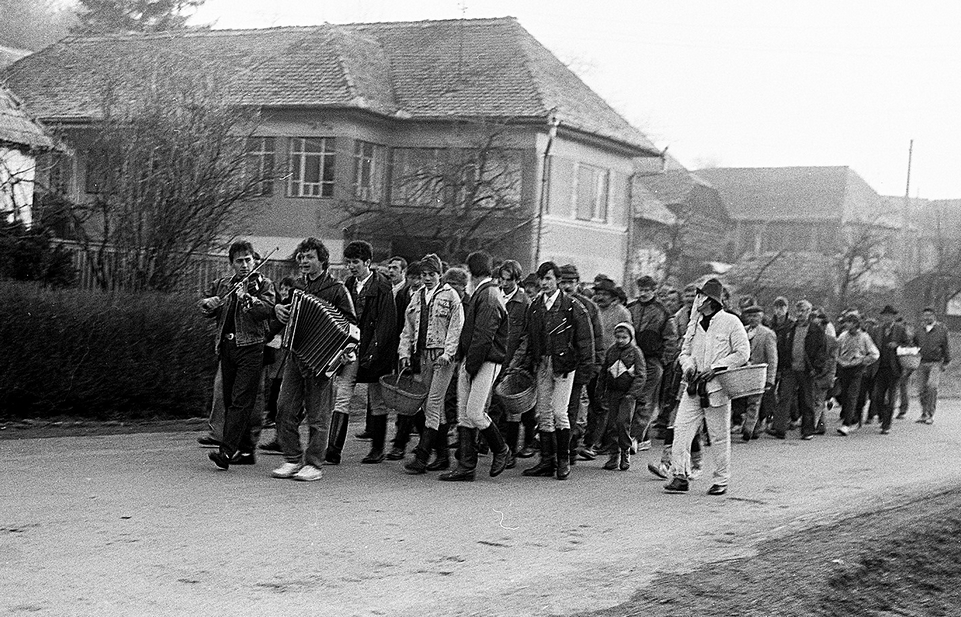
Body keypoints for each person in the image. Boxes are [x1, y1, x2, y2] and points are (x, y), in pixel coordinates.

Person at [271, 237, 357, 482]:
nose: (304, 261)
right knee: (284, 408)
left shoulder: (337, 289)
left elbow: (352, 326)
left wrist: (339, 352)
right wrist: (277, 310)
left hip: (322, 360)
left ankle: (314, 464)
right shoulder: (297, 286)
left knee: (318, 415)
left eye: (310, 257)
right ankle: (292, 458)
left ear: (322, 260)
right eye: (301, 257)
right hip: (296, 355)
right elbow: (284, 313)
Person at [664, 278, 749, 495]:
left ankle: (721, 480)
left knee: (718, 436)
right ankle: (680, 475)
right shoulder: (694, 324)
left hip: (717, 387)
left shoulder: (731, 322)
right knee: (681, 429)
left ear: (710, 300)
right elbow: (684, 353)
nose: (696, 300)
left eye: (700, 296)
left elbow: (742, 353)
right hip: (693, 387)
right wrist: (688, 366)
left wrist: (717, 367)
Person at [198, 240, 276, 470]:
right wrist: (208, 303)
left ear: (254, 261)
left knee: (241, 400)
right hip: (227, 347)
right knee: (231, 399)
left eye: (248, 260)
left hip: (251, 347)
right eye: (239, 261)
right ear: (231, 263)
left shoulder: (264, 285)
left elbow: (266, 310)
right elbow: (204, 306)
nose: (244, 265)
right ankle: (246, 449)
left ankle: (226, 451)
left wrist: (246, 298)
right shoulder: (223, 284)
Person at [511, 261, 594, 481]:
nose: (544, 283)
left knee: (559, 411)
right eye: (541, 278)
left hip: (565, 364)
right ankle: (546, 461)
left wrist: (585, 371)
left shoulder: (573, 307)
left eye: (548, 278)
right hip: (542, 363)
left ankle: (563, 460)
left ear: (557, 280)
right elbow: (529, 337)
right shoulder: (535, 306)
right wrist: (524, 363)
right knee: (544, 413)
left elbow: (585, 341)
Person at [438, 251, 511, 482]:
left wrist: (470, 366)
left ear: (472, 272)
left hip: (484, 360)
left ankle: (501, 449)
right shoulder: (486, 292)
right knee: (464, 415)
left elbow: (483, 337)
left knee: (474, 412)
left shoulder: (488, 295)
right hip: (475, 359)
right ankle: (466, 466)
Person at [327, 240, 398, 465]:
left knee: (377, 400)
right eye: (348, 262)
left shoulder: (383, 287)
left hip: (375, 350)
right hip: (351, 348)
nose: (351, 267)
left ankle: (377, 450)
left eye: (355, 262)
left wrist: (372, 353)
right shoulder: (348, 284)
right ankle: (333, 450)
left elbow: (386, 324)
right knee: (342, 395)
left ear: (368, 262)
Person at [400, 254, 464, 474]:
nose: (427, 278)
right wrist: (404, 352)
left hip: (442, 357)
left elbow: (456, 327)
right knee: (429, 405)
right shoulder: (417, 296)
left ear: (440, 274)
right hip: (423, 355)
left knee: (434, 403)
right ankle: (443, 456)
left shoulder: (450, 295)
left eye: (431, 274)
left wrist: (448, 353)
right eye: (424, 274)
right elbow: (408, 327)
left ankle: (422, 457)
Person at [579, 277, 631, 460]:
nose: (600, 297)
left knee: (603, 404)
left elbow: (628, 339)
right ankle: (592, 440)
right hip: (593, 360)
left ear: (613, 296)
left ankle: (594, 443)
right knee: (592, 402)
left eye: (605, 294)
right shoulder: (592, 309)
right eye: (598, 293)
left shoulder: (622, 313)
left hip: (613, 363)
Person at [626, 275, 678, 452]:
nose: (643, 293)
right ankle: (641, 435)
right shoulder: (631, 308)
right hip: (631, 359)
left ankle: (634, 436)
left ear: (654, 291)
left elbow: (671, 339)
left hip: (651, 360)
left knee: (644, 399)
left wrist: (663, 360)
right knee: (630, 397)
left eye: (647, 290)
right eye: (641, 290)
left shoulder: (663, 312)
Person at [557, 264, 602, 467]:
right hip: (555, 365)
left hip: (577, 365)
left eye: (571, 282)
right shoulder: (552, 303)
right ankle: (554, 451)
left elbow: (597, 339)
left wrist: (593, 367)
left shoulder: (589, 307)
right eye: (563, 282)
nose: (567, 286)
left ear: (578, 283)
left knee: (571, 410)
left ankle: (569, 450)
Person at [492, 259, 532, 469]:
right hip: (493, 357)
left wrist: (516, 362)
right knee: (492, 404)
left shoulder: (524, 302)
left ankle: (511, 451)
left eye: (509, 280)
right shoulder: (494, 296)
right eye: (502, 279)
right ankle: (497, 447)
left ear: (517, 280)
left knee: (512, 409)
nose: (505, 283)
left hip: (513, 361)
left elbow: (526, 337)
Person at [768, 300, 826, 440]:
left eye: (803, 311)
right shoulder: (790, 328)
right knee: (784, 398)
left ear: (809, 312)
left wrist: (816, 368)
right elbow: (782, 348)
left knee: (807, 400)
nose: (800, 314)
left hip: (807, 370)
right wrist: (781, 367)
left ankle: (808, 430)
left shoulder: (816, 330)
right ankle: (779, 429)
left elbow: (822, 351)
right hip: (790, 368)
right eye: (798, 311)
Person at [595, 322, 645, 471]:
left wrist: (632, 393)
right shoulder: (611, 351)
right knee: (611, 424)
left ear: (631, 337)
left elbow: (641, 375)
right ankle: (613, 454)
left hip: (627, 394)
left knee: (622, 422)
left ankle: (625, 451)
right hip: (613, 393)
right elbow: (604, 373)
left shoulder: (635, 352)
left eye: (624, 337)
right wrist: (600, 390)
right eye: (618, 337)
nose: (620, 340)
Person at [868, 305, 911, 435]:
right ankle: (882, 415)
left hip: (894, 369)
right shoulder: (877, 330)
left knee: (891, 397)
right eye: (885, 315)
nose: (887, 318)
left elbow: (908, 345)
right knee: (877, 396)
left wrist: (897, 346)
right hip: (879, 368)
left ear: (893, 317)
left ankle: (886, 425)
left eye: (890, 316)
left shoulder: (900, 329)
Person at [737, 305, 778, 441]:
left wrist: (770, 379)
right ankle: (754, 426)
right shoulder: (742, 331)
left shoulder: (767, 334)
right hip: (743, 371)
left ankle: (748, 429)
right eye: (750, 316)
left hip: (758, 372)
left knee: (754, 401)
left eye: (756, 316)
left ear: (761, 317)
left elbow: (772, 358)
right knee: (743, 400)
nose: (752, 319)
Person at [835, 312, 880, 436]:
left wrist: (863, 361)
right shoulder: (843, 336)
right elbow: (836, 349)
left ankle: (847, 424)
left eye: (849, 322)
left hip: (857, 369)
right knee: (843, 395)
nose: (846, 324)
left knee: (852, 395)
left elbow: (875, 354)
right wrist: (838, 360)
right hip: (844, 368)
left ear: (855, 324)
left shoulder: (864, 337)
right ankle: (853, 418)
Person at [915, 307, 951, 424]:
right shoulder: (919, 330)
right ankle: (924, 412)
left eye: (929, 315)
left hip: (935, 362)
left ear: (934, 316)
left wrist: (946, 362)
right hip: (922, 362)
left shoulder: (941, 329)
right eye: (925, 315)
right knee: (921, 389)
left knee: (932, 386)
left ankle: (930, 414)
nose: (927, 317)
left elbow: (946, 346)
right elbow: (914, 344)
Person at [812, 308, 839, 435]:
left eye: (819, 325)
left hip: (824, 374)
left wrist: (820, 373)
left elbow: (831, 361)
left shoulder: (832, 341)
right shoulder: (812, 338)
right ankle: (820, 425)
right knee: (818, 400)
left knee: (818, 401)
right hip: (815, 373)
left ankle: (812, 425)